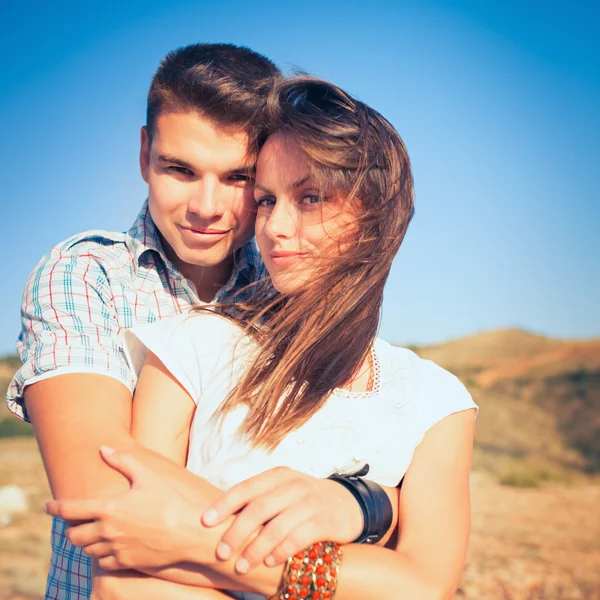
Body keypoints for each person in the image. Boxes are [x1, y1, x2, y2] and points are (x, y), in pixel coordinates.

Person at [46, 76, 478, 600]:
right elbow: (124, 564)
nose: (274, 226)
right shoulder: (190, 341)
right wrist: (372, 524)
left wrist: (359, 503)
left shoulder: (436, 399)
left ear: (377, 213)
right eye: (268, 200)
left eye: (311, 196)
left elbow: (423, 585)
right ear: (146, 155)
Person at [6, 46, 385, 600]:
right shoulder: (85, 276)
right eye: (180, 170)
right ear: (144, 154)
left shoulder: (294, 286)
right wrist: (350, 564)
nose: (206, 207)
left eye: (237, 177)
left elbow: (371, 459)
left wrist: (363, 501)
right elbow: (108, 503)